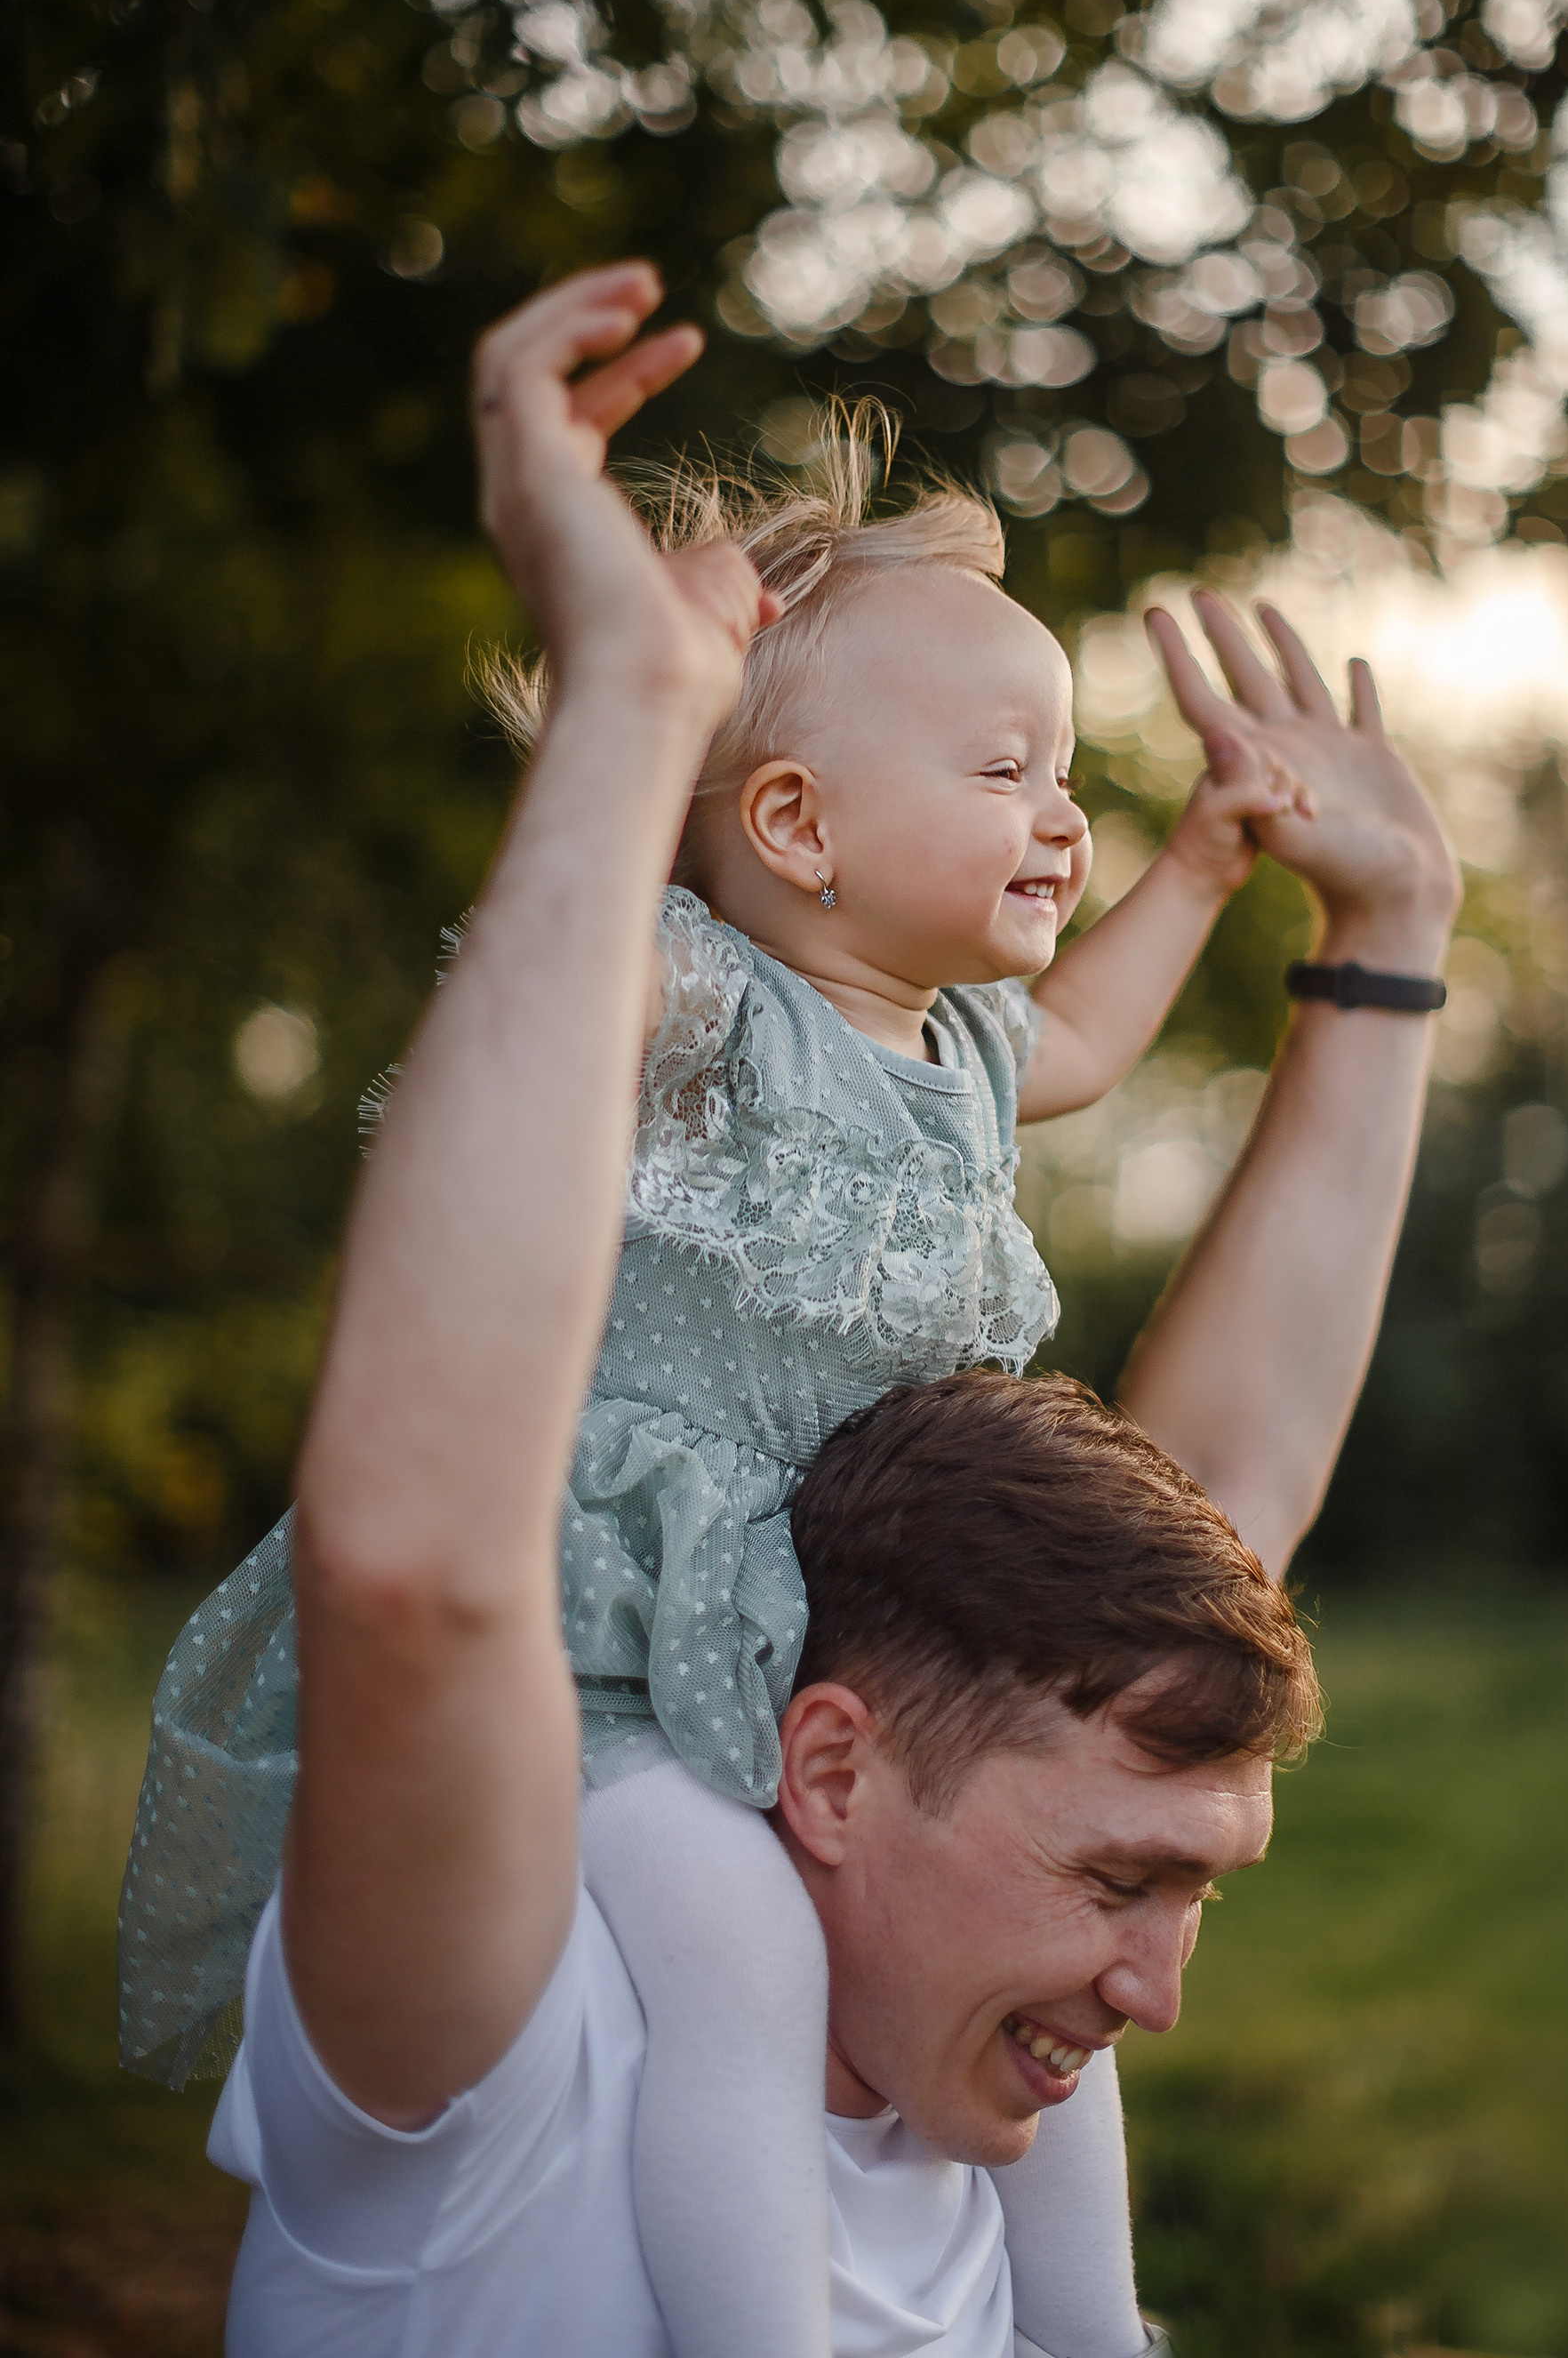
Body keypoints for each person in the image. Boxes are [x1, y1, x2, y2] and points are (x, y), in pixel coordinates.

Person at [144, 261, 1460, 2355]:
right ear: (835, 1770)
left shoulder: (956, 1072)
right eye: (1120, 1882)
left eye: (1176, 1886)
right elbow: (421, 1544)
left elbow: (1214, 1499)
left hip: (812, 1542)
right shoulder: (524, 2028)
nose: (1154, 1984)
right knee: (731, 1947)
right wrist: (623, 726)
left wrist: (1354, 931)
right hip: (622, 1607)